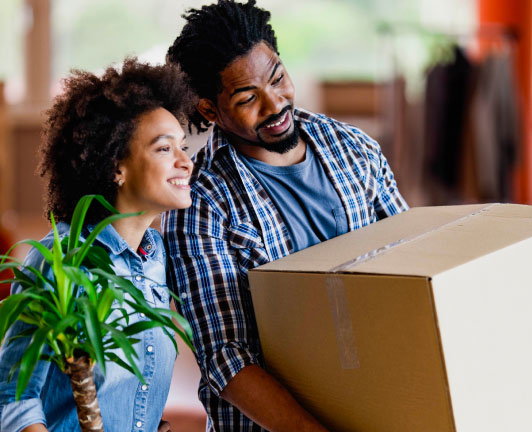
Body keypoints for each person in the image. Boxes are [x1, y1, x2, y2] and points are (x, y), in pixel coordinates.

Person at [163, 1, 409, 430]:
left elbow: (413, 269)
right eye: (247, 99)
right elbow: (227, 358)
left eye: (277, 78)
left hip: (382, 404)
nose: (275, 104)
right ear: (208, 110)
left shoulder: (355, 149)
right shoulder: (200, 203)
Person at [0, 58, 196, 432]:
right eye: (163, 149)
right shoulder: (61, 263)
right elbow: (12, 398)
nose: (185, 162)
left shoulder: (159, 260)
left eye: (182, 146)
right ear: (115, 167)